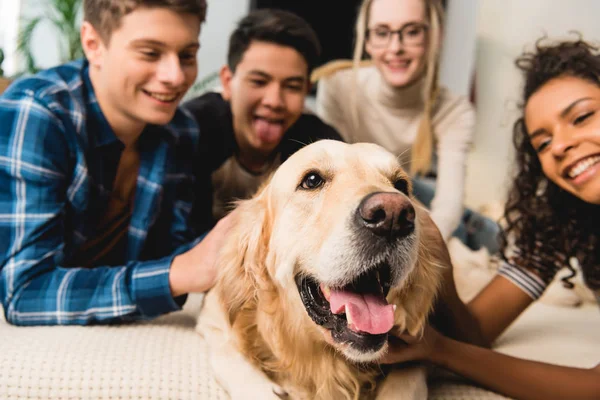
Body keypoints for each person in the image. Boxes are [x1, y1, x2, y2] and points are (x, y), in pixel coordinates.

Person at [382, 38, 600, 400]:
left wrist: (439, 350)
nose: (560, 146)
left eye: (581, 117)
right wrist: (440, 262)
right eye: (542, 143)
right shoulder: (568, 220)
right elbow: (476, 333)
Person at [0, 0, 232, 326]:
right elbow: (24, 292)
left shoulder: (179, 129)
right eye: (150, 53)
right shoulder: (38, 112)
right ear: (93, 44)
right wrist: (177, 273)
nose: (176, 76)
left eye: (187, 55)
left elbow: (172, 251)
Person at [314, 0, 499, 253]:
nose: (395, 47)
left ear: (435, 37)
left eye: (411, 32)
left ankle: (474, 226)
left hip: (405, 188)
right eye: (381, 33)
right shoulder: (336, 86)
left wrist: (415, 252)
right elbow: (334, 178)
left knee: (471, 229)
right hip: (361, 191)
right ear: (366, 40)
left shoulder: (455, 110)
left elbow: (447, 206)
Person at [183, 9, 343, 230]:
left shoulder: (321, 148)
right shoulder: (190, 132)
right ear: (228, 82)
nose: (274, 101)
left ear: (306, 91)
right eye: (258, 82)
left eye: (292, 87)